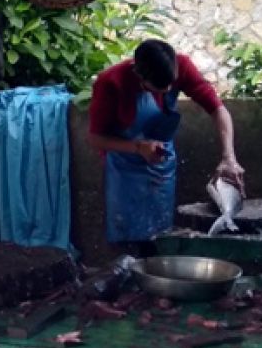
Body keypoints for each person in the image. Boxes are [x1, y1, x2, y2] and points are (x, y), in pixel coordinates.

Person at [88, 39, 244, 251]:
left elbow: (218, 110)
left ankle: (157, 271)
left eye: (170, 86)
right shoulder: (110, 82)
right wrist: (137, 148)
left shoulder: (182, 66)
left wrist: (229, 158)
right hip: (125, 169)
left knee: (160, 236)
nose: (166, 92)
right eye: (158, 89)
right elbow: (95, 138)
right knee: (128, 241)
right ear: (138, 75)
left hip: (162, 162)